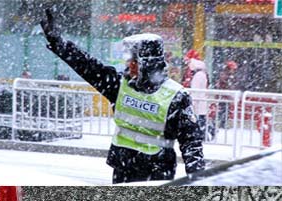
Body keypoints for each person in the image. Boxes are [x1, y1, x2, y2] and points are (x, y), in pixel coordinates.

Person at [41, 10, 205, 183]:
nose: (128, 64)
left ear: (147, 63)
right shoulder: (120, 85)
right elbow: (86, 65)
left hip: (157, 172)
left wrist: (197, 179)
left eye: (133, 60)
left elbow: (191, 142)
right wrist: (58, 42)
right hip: (123, 167)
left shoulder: (176, 97)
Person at [183, 50, 213, 140]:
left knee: (198, 122)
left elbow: (195, 91)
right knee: (200, 122)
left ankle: (200, 136)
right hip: (200, 104)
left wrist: (192, 104)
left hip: (198, 104)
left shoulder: (198, 75)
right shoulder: (202, 73)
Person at [215, 60, 238, 129]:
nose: (234, 71)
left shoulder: (227, 75)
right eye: (233, 69)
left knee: (224, 111)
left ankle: (222, 124)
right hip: (224, 96)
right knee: (224, 111)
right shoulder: (226, 75)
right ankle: (221, 124)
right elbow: (225, 85)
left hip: (224, 96)